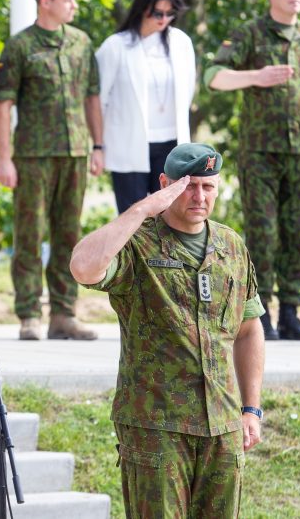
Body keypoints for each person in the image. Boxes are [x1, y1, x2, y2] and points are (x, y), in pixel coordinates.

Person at [70, 143, 264, 518]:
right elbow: (82, 267)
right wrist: (144, 208)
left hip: (222, 427)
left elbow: (248, 329)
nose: (198, 196)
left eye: (208, 187)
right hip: (156, 426)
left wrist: (251, 409)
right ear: (165, 183)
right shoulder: (137, 244)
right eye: (188, 186)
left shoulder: (230, 247)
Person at [204, 0, 300, 342]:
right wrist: (256, 77)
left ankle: (291, 312)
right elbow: (214, 77)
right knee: (263, 234)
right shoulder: (251, 34)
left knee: (297, 233)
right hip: (260, 153)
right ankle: (260, 315)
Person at [0, 0, 104, 341]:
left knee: (68, 234)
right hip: (33, 154)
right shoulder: (20, 46)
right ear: (45, 2)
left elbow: (91, 98)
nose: (74, 4)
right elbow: (3, 105)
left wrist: (98, 146)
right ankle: (28, 313)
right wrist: (4, 158)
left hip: (74, 152)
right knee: (29, 233)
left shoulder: (81, 42)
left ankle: (63, 312)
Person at [95, 0, 196, 213]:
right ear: (142, 9)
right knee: (132, 221)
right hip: (127, 145)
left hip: (172, 144)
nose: (164, 19)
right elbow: (98, 100)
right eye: (157, 13)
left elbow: (188, 91)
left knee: (172, 217)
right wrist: (97, 147)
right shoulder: (115, 46)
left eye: (169, 13)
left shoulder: (181, 43)